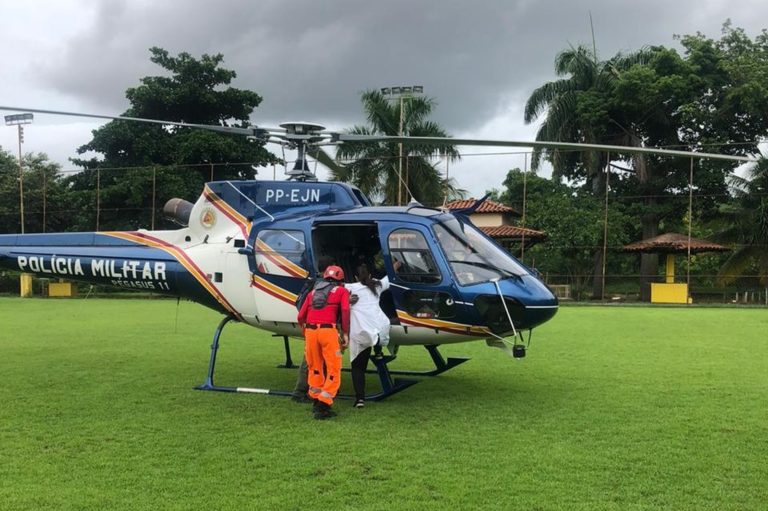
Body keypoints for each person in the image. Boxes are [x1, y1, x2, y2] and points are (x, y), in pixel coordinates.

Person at [297, 265, 350, 420]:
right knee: (334, 367)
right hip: (328, 332)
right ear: (340, 279)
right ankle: (323, 405)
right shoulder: (342, 291)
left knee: (314, 367)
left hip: (311, 332)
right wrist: (345, 333)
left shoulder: (313, 292)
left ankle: (316, 399)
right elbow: (345, 311)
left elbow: (301, 316)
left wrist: (305, 330)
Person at [346, 263, 394, 408]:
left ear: (354, 277)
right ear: (371, 275)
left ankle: (360, 399)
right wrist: (396, 265)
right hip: (380, 330)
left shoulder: (349, 288)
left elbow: (331, 291)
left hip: (361, 333)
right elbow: (389, 278)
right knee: (378, 338)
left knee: (358, 368)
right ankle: (379, 352)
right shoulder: (377, 286)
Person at [291, 256, 336, 403]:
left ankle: (312, 391)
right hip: (322, 328)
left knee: (313, 360)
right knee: (313, 361)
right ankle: (302, 392)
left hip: (311, 328)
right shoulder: (325, 285)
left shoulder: (313, 283)